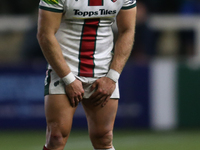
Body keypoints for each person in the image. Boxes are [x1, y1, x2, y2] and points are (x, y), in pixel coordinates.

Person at [37, 0, 137, 150]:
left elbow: (127, 30)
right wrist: (69, 79)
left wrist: (112, 77)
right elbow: (45, 34)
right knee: (56, 137)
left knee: (104, 137)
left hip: (103, 71)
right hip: (64, 69)